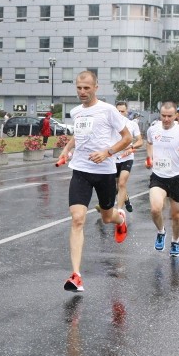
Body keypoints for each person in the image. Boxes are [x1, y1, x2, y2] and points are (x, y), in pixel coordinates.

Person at [56, 71, 132, 293]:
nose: (82, 92)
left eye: (86, 88)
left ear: (96, 87)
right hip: (80, 170)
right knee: (77, 219)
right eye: (79, 87)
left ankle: (120, 219)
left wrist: (107, 152)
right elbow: (78, 135)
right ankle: (76, 275)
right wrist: (66, 149)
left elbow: (126, 138)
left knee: (107, 217)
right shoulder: (76, 112)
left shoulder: (108, 110)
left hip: (105, 171)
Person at [146, 101, 179, 256]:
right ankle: (161, 232)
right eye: (163, 116)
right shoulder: (153, 129)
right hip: (158, 177)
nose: (166, 119)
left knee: (176, 216)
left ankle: (175, 241)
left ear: (176, 116)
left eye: (169, 116)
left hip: (176, 178)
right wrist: (150, 157)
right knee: (155, 209)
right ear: (160, 115)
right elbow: (149, 143)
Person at [114, 101, 144, 213]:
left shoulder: (132, 124)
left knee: (122, 183)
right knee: (117, 187)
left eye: (122, 111)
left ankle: (119, 211)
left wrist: (131, 146)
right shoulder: (110, 124)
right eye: (118, 111)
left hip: (127, 157)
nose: (120, 113)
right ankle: (126, 200)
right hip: (113, 158)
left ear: (126, 112)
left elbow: (140, 141)